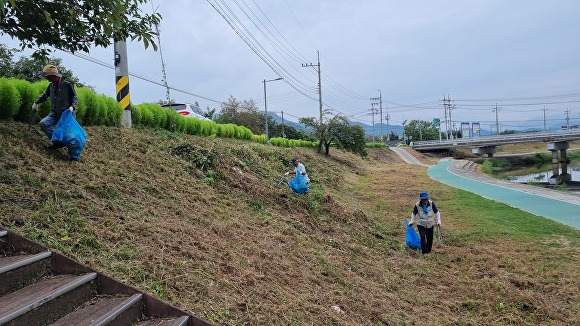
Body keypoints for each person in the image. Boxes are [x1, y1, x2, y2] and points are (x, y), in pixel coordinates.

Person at [32, 64, 78, 150]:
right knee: (43, 123)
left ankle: (73, 156)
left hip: (67, 115)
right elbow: (45, 95)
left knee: (70, 137)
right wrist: (36, 103)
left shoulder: (67, 85)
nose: (46, 78)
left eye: (47, 76)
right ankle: (57, 143)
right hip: (54, 114)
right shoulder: (51, 86)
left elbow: (75, 97)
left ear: (53, 76)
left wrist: (72, 107)